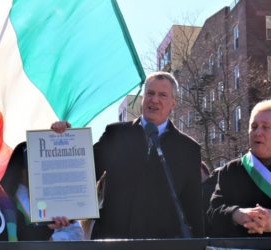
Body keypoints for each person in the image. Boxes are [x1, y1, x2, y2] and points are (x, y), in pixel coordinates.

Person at [51, 71, 203, 239]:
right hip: (112, 240)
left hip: (161, 244)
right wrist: (64, 138)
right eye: (150, 93)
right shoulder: (115, 134)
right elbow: (82, 172)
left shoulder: (188, 149)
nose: (154, 100)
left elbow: (195, 210)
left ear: (173, 103)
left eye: (162, 95)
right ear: (143, 98)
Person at [208, 100, 271, 237]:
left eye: (265, 127)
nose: (257, 132)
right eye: (254, 126)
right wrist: (237, 214)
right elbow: (213, 211)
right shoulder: (231, 170)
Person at [0, 142, 84, 240]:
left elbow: (77, 232)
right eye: (35, 165)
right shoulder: (4, 199)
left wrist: (54, 240)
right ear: (21, 169)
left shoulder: (57, 196)